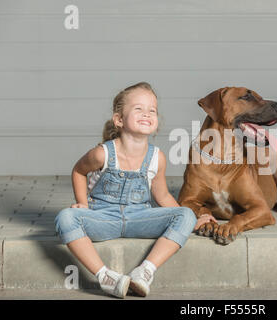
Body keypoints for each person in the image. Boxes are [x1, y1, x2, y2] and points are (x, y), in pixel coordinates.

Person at [54, 82, 216, 298]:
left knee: (186, 214)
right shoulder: (102, 153)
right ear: (119, 119)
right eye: (138, 109)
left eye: (152, 110)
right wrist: (82, 203)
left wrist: (191, 223)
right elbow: (78, 171)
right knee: (65, 218)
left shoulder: (156, 158)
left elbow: (163, 196)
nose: (146, 114)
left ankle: (145, 271)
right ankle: (106, 277)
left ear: (157, 122)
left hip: (140, 217)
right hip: (103, 218)